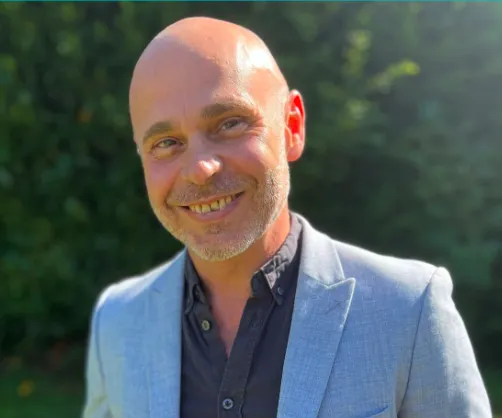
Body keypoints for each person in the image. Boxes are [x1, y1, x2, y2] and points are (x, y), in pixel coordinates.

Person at [83, 17, 492, 418]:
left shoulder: (409, 308)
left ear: (292, 126)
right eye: (167, 142)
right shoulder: (116, 323)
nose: (201, 168)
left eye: (229, 123)